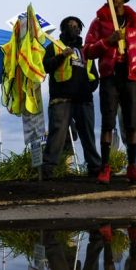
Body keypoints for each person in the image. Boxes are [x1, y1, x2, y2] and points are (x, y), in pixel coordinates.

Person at [84, 0, 136, 184]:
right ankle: (105, 167)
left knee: (131, 124)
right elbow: (87, 50)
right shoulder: (99, 22)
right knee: (108, 123)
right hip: (109, 76)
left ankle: (132, 167)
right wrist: (107, 42)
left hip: (130, 77)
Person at [42, 16, 102, 179]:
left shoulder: (86, 50)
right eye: (70, 26)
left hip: (84, 99)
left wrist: (89, 88)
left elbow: (94, 75)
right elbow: (46, 66)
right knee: (57, 134)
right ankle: (48, 170)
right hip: (61, 98)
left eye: (77, 26)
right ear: (63, 29)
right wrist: (62, 56)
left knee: (88, 135)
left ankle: (95, 168)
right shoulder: (55, 46)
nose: (74, 28)